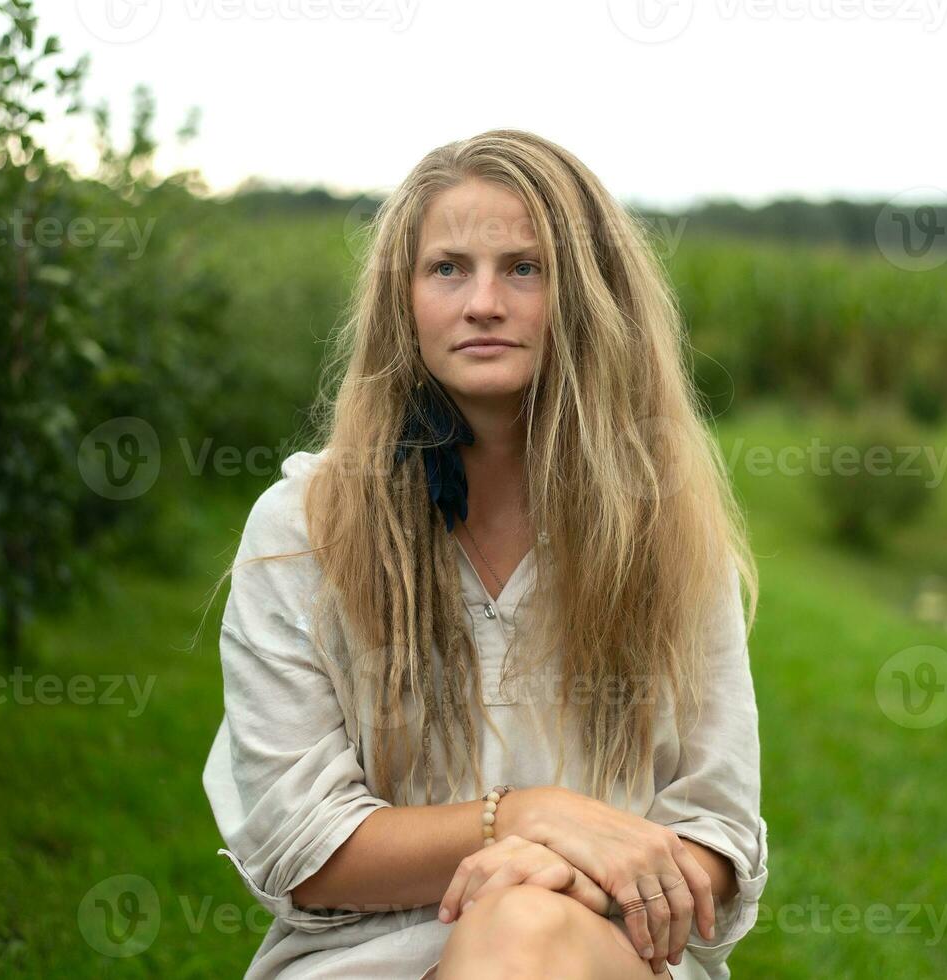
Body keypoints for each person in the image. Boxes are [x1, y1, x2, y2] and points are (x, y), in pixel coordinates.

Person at [201, 129, 768, 979]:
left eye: (524, 269)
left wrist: (551, 878)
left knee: (526, 934)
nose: (482, 303)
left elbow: (716, 841)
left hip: (610, 946)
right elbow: (304, 847)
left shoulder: (665, 534)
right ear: (405, 301)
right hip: (364, 954)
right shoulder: (305, 529)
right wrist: (528, 817)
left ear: (587, 296)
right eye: (447, 268)